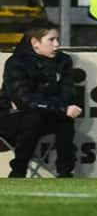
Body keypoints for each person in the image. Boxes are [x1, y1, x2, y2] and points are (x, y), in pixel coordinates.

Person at [0, 19, 82, 178]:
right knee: (34, 116)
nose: (57, 44)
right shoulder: (16, 62)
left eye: (57, 39)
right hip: (9, 118)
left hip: (44, 115)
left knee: (64, 120)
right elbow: (24, 99)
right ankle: (18, 171)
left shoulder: (63, 60)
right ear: (35, 42)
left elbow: (68, 93)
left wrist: (56, 106)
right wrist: (59, 105)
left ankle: (65, 173)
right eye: (51, 40)